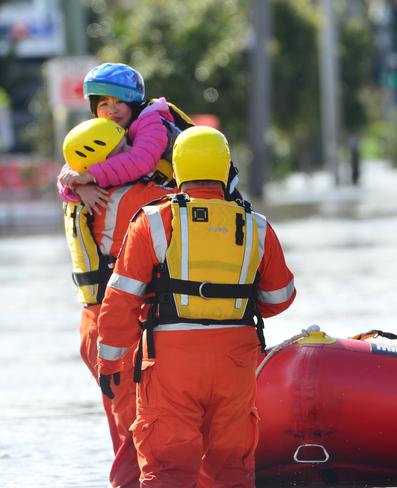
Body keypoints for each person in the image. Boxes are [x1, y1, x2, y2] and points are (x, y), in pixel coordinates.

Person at [96, 126, 296, 487]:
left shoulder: (154, 221)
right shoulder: (256, 225)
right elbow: (280, 297)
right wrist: (230, 304)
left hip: (171, 363)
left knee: (167, 469)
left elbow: (120, 301)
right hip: (235, 359)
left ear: (177, 170)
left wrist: (109, 363)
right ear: (225, 168)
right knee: (231, 470)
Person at [62, 118, 176, 487]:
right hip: (117, 325)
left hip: (97, 322)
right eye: (120, 151)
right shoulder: (129, 197)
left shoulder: (89, 195)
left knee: (125, 429)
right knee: (135, 432)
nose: (130, 158)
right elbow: (191, 200)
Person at [57, 62, 191, 213]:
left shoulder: (151, 121)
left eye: (119, 102)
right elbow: (71, 168)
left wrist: (90, 175)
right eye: (104, 104)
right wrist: (79, 187)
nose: (112, 110)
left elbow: (141, 160)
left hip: (184, 202)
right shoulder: (103, 129)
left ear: (133, 104)